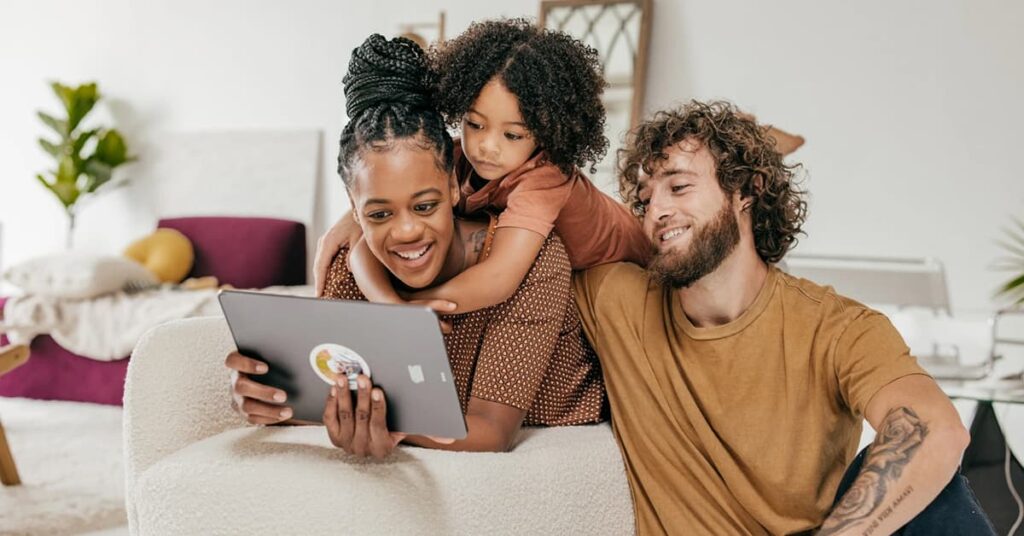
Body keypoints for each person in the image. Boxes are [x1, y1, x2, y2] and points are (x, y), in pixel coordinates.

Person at [573, 100, 994, 535]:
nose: (656, 211)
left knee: (926, 484)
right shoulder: (617, 300)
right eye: (645, 200)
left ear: (747, 191)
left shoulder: (837, 327)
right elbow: (551, 200)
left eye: (678, 187)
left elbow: (936, 430)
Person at [225, 34, 605, 458]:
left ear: (453, 186)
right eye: (379, 214)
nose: (406, 232)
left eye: (425, 206)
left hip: (562, 408)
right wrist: (275, 401)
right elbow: (332, 397)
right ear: (353, 209)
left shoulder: (535, 257)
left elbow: (492, 432)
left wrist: (392, 409)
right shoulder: (351, 265)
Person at [312, 18, 806, 315]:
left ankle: (755, 142)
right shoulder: (460, 162)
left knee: (728, 242)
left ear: (545, 133)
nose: (487, 148)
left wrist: (412, 310)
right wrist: (351, 220)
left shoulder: (542, 178)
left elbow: (499, 280)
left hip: (636, 252)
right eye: (475, 125)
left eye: (513, 135)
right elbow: (373, 221)